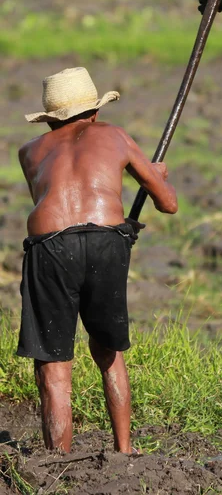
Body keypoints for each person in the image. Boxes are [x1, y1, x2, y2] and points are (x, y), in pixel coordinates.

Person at [17, 67, 178, 454]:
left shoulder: (29, 151)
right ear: (94, 111)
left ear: (51, 118)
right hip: (107, 243)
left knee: (54, 366)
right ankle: (124, 450)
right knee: (108, 351)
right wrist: (155, 175)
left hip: (51, 247)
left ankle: (59, 464)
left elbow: (53, 198)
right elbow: (168, 203)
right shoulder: (115, 136)